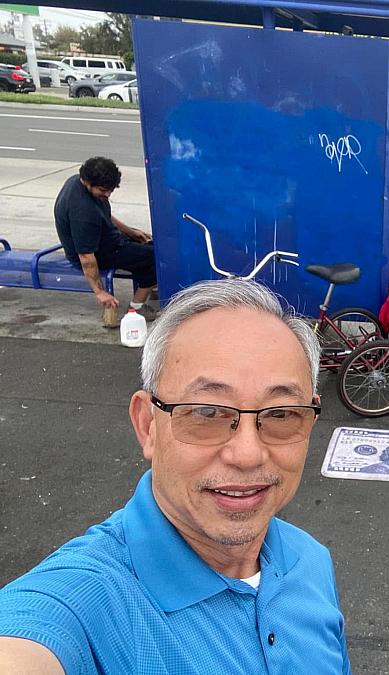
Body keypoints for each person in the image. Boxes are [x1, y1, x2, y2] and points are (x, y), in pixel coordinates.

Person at [0, 279, 351, 673]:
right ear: (148, 424)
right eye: (206, 412)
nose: (248, 454)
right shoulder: (88, 601)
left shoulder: (310, 560)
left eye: (281, 414)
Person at [54, 157, 158, 324]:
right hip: (98, 254)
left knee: (153, 244)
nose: (108, 194)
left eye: (110, 190)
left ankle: (151, 285)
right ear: (87, 182)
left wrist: (130, 232)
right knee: (158, 257)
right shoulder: (83, 213)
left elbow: (104, 215)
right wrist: (100, 292)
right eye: (103, 190)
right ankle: (136, 308)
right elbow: (86, 258)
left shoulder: (77, 182)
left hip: (106, 241)